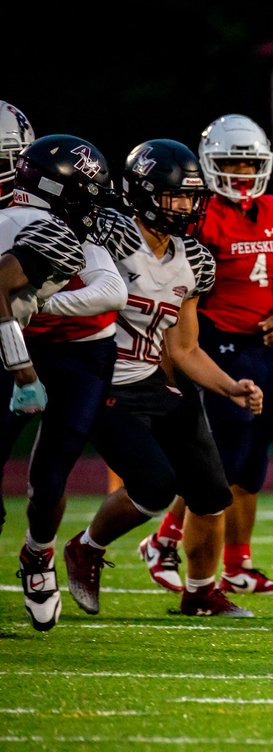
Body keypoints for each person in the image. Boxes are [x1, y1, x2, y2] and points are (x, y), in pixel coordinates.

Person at [63, 138, 264, 619]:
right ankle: (86, 547)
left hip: (154, 378)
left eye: (192, 198)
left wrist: (229, 386)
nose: (186, 207)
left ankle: (198, 593)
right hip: (102, 380)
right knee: (153, 487)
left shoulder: (193, 259)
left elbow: (185, 348)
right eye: (175, 196)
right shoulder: (106, 236)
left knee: (211, 494)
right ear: (142, 192)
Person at [141, 114, 273, 597]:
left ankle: (237, 566)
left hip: (259, 348)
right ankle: (165, 540)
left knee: (252, 463)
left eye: (247, 162)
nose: (239, 171)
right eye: (230, 161)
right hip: (213, 341)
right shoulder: (200, 215)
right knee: (221, 458)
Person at [1, 132, 121, 632]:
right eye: (85, 194)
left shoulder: (48, 223)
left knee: (49, 481)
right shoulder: (44, 229)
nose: (94, 206)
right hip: (18, 356)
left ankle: (38, 554)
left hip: (65, 353)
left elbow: (112, 289)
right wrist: (22, 367)